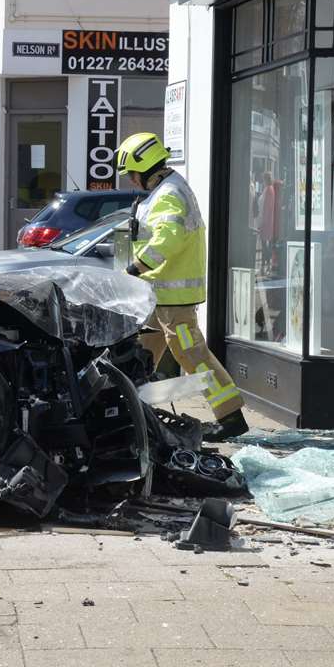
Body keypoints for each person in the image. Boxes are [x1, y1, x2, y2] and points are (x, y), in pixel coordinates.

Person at [116, 132, 247, 440]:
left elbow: (168, 240)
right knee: (139, 353)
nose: (131, 181)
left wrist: (136, 267)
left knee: (192, 355)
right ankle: (136, 413)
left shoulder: (169, 194)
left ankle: (230, 417)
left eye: (132, 175)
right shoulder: (163, 190)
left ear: (145, 169)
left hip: (174, 301)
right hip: (157, 296)